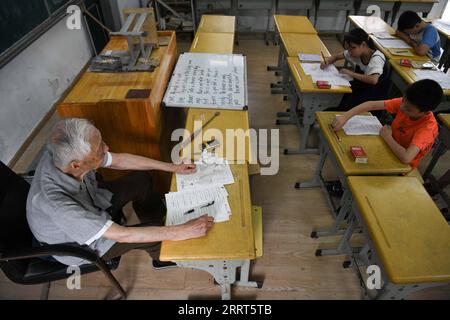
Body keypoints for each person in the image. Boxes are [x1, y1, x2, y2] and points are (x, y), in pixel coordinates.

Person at [27, 118, 214, 267]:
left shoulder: (63, 154)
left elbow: (118, 160)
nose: (106, 148)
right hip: (79, 245)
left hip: (93, 201)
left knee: (143, 180)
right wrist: (181, 231)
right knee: (153, 236)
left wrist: (172, 167)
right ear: (77, 164)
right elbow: (122, 235)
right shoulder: (57, 205)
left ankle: (162, 223)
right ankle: (163, 256)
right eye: (99, 149)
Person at [332, 79, 443, 170]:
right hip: (386, 146)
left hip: (400, 166)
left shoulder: (427, 128)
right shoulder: (409, 103)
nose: (402, 107)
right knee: (348, 149)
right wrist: (345, 116)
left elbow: (406, 158)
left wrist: (387, 137)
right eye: (403, 100)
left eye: (408, 109)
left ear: (425, 112)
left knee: (356, 163)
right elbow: (371, 105)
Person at [321, 28, 388, 110]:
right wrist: (327, 61)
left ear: (363, 45)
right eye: (348, 49)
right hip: (361, 88)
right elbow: (336, 56)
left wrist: (351, 73)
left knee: (342, 106)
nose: (349, 52)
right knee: (337, 97)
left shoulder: (376, 58)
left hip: (372, 96)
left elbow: (373, 80)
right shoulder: (355, 52)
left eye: (352, 48)